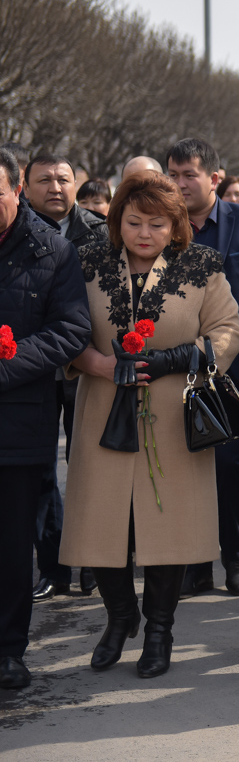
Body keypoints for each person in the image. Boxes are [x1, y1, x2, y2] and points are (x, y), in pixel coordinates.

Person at [60, 171, 239, 679]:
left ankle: (159, 630)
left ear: (176, 226)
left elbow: (228, 330)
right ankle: (120, 617)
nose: (144, 233)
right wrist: (92, 360)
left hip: (173, 411)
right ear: (117, 221)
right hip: (103, 407)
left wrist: (184, 357)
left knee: (169, 526)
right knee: (102, 521)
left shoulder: (201, 265)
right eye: (134, 221)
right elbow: (65, 325)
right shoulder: (88, 263)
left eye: (156, 224)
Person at [0, 149, 91, 690]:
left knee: (12, 545)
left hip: (17, 423)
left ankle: (9, 650)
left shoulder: (51, 252)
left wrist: (6, 364)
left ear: (14, 192)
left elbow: (70, 331)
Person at [167, 138, 239, 599]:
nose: (179, 183)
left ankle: (235, 555)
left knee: (230, 465)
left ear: (214, 179)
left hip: (238, 367)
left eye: (188, 174)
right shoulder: (161, 225)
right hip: (176, 367)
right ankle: (194, 560)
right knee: (184, 467)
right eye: (172, 174)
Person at [24, 154, 108, 604]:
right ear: (24, 185)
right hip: (33, 369)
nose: (55, 188)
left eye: (63, 179)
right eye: (44, 180)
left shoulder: (99, 232)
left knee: (89, 467)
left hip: (88, 367)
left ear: (76, 184)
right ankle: (54, 566)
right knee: (38, 471)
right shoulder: (15, 233)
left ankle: (97, 561)